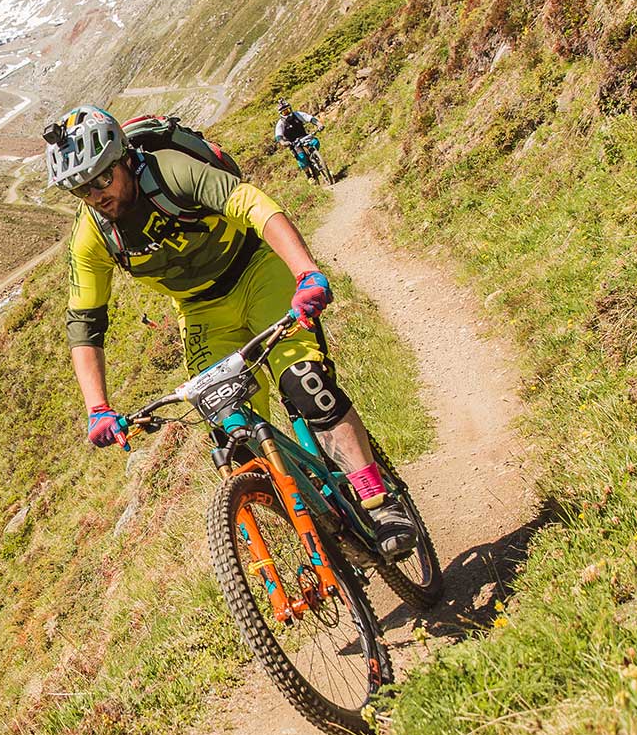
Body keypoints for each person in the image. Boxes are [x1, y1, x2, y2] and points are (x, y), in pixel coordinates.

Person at [46, 105, 412, 552]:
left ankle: (380, 503)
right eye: (80, 189)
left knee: (305, 383)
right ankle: (318, 529)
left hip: (259, 274)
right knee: (235, 436)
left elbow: (253, 205)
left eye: (102, 178)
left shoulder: (170, 173)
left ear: (123, 158)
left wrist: (305, 273)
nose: (96, 194)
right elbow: (85, 324)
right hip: (201, 311)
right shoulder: (93, 236)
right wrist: (98, 407)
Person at [274, 101, 323, 177]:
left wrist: (318, 124)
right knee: (302, 158)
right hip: (293, 143)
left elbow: (309, 118)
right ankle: (309, 175)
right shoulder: (280, 123)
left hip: (304, 136)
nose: (287, 113)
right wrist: (283, 142)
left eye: (288, 110)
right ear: (281, 114)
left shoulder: (297, 114)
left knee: (315, 142)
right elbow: (278, 136)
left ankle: (316, 158)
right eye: (284, 112)